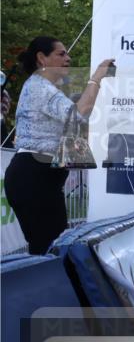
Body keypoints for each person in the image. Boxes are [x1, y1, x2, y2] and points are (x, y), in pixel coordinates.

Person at [3, 37, 114, 254]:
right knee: (48, 249)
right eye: (61, 54)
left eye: (67, 53)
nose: (68, 58)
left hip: (41, 178)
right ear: (41, 58)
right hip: (32, 176)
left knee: (50, 248)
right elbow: (79, 114)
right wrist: (97, 78)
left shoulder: (44, 87)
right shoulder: (39, 87)